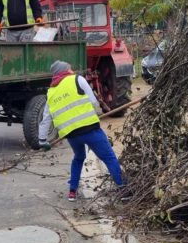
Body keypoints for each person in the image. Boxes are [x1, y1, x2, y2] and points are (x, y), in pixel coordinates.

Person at [38, 61, 126, 202]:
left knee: (79, 157)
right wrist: (95, 111)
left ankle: (72, 192)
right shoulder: (77, 79)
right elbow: (93, 101)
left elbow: (46, 119)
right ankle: (123, 189)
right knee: (109, 157)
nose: (72, 70)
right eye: (70, 68)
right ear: (66, 70)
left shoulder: (51, 92)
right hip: (90, 129)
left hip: (72, 135)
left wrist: (43, 141)